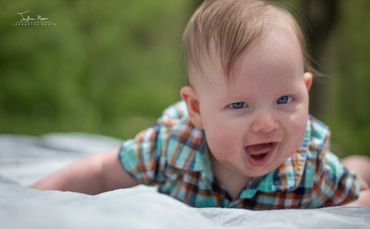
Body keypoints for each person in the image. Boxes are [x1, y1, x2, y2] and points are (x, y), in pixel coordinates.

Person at [32, 0, 370, 209]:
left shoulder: (310, 165)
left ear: (306, 90)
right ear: (196, 110)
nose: (267, 123)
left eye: (285, 99)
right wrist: (33, 197)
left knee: (350, 173)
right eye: (239, 105)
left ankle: (358, 164)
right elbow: (102, 172)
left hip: (332, 172)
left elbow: (359, 203)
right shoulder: (170, 147)